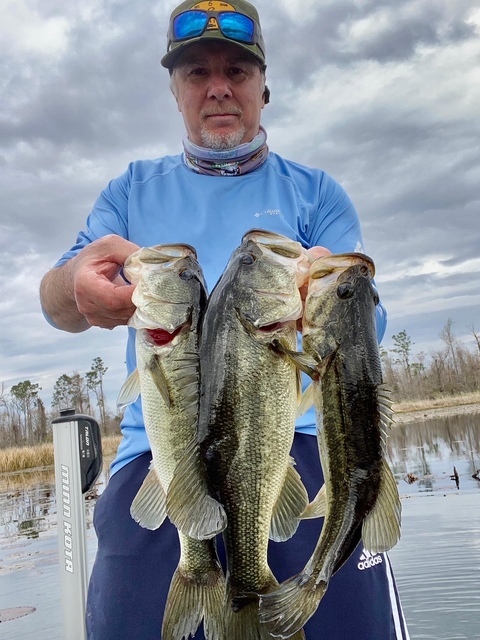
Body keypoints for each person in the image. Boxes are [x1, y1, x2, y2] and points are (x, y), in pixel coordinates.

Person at [40, 1, 409, 638]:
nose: (218, 87)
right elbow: (55, 304)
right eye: (196, 73)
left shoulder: (318, 195)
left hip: (293, 444)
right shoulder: (129, 191)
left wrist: (335, 295)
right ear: (175, 91)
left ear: (264, 87)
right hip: (160, 454)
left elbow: (360, 336)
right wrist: (73, 288)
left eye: (236, 71)